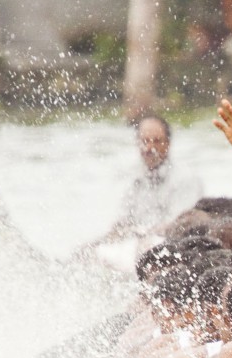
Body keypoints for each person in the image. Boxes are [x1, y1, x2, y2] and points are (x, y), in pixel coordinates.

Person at [80, 114, 202, 267]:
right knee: (86, 253)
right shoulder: (134, 178)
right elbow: (123, 221)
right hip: (135, 241)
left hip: (172, 247)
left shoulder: (186, 179)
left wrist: (144, 235)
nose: (150, 148)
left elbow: (180, 225)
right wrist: (105, 239)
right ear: (137, 143)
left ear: (168, 144)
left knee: (141, 251)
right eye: (145, 141)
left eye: (156, 141)